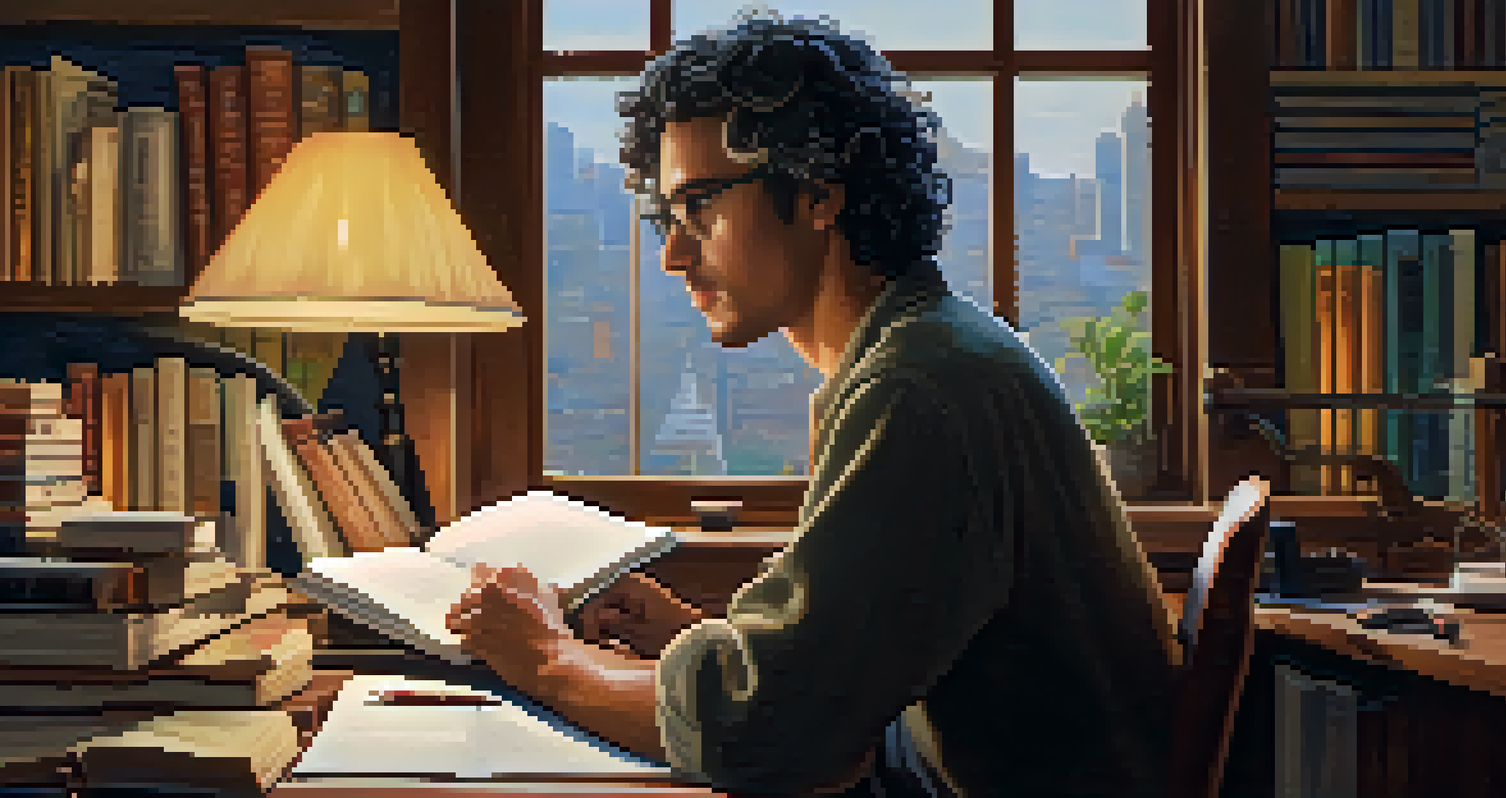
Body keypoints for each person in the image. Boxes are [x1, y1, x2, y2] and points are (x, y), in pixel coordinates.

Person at [447, 11, 1179, 797]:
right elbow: (853, 676)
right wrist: (698, 640)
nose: (671, 253)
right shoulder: (924, 350)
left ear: (818, 193)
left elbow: (771, 737)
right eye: (667, 216)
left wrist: (548, 658)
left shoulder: (916, 387)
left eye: (701, 207)